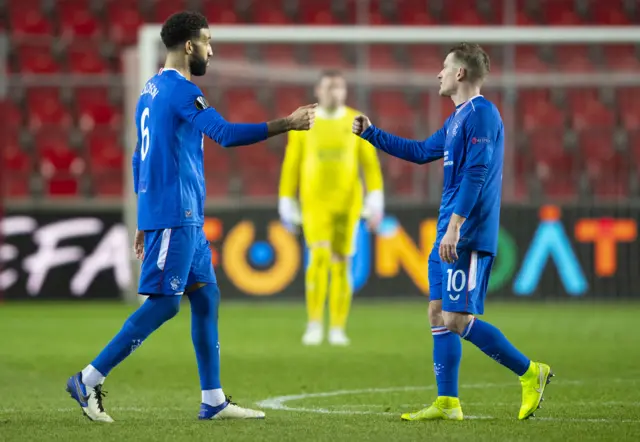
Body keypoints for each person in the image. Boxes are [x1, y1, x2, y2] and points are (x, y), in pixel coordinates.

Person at [65, 11, 316, 422]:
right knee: (165, 304)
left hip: (183, 215)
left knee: (205, 296)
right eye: (207, 42)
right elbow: (225, 134)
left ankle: (213, 399)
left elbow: (137, 157)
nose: (211, 50)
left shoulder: (149, 91)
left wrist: (142, 217)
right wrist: (287, 123)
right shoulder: (182, 91)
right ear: (188, 46)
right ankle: (88, 379)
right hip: (175, 212)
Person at [352, 43, 552, 421]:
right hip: (449, 229)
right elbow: (420, 151)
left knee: (456, 319)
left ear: (460, 73)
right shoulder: (458, 118)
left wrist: (456, 228)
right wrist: (372, 134)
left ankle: (530, 372)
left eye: (444, 67)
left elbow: (477, 173)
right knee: (436, 312)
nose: (438, 74)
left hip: (467, 232)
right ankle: (447, 402)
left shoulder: (482, 115)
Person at [279, 70, 384, 346]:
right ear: (318, 91)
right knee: (319, 258)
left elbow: (369, 164)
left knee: (341, 263)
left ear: (344, 91)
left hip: (349, 203)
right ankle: (314, 323)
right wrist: (286, 199)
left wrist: (375, 198)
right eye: (328, 88)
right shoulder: (306, 123)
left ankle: (337, 327)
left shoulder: (356, 120)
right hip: (314, 203)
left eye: (338, 88)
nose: (333, 93)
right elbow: (292, 163)